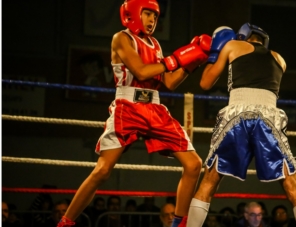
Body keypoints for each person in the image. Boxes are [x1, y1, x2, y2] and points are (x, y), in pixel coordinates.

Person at [56, 0, 210, 227]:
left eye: (155, 17)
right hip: (128, 107)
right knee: (103, 171)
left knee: (194, 164)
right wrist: (176, 59)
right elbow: (140, 70)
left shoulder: (155, 44)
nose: (152, 20)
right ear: (134, 14)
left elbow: (168, 81)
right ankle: (66, 223)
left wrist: (192, 62)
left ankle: (178, 224)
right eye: (147, 14)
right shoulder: (122, 38)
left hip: (155, 107)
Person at [185, 23, 296, 227]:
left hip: (236, 115)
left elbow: (205, 83)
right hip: (269, 118)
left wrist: (214, 54)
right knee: (292, 184)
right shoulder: (279, 59)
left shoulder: (232, 46)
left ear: (242, 37)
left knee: (210, 181)